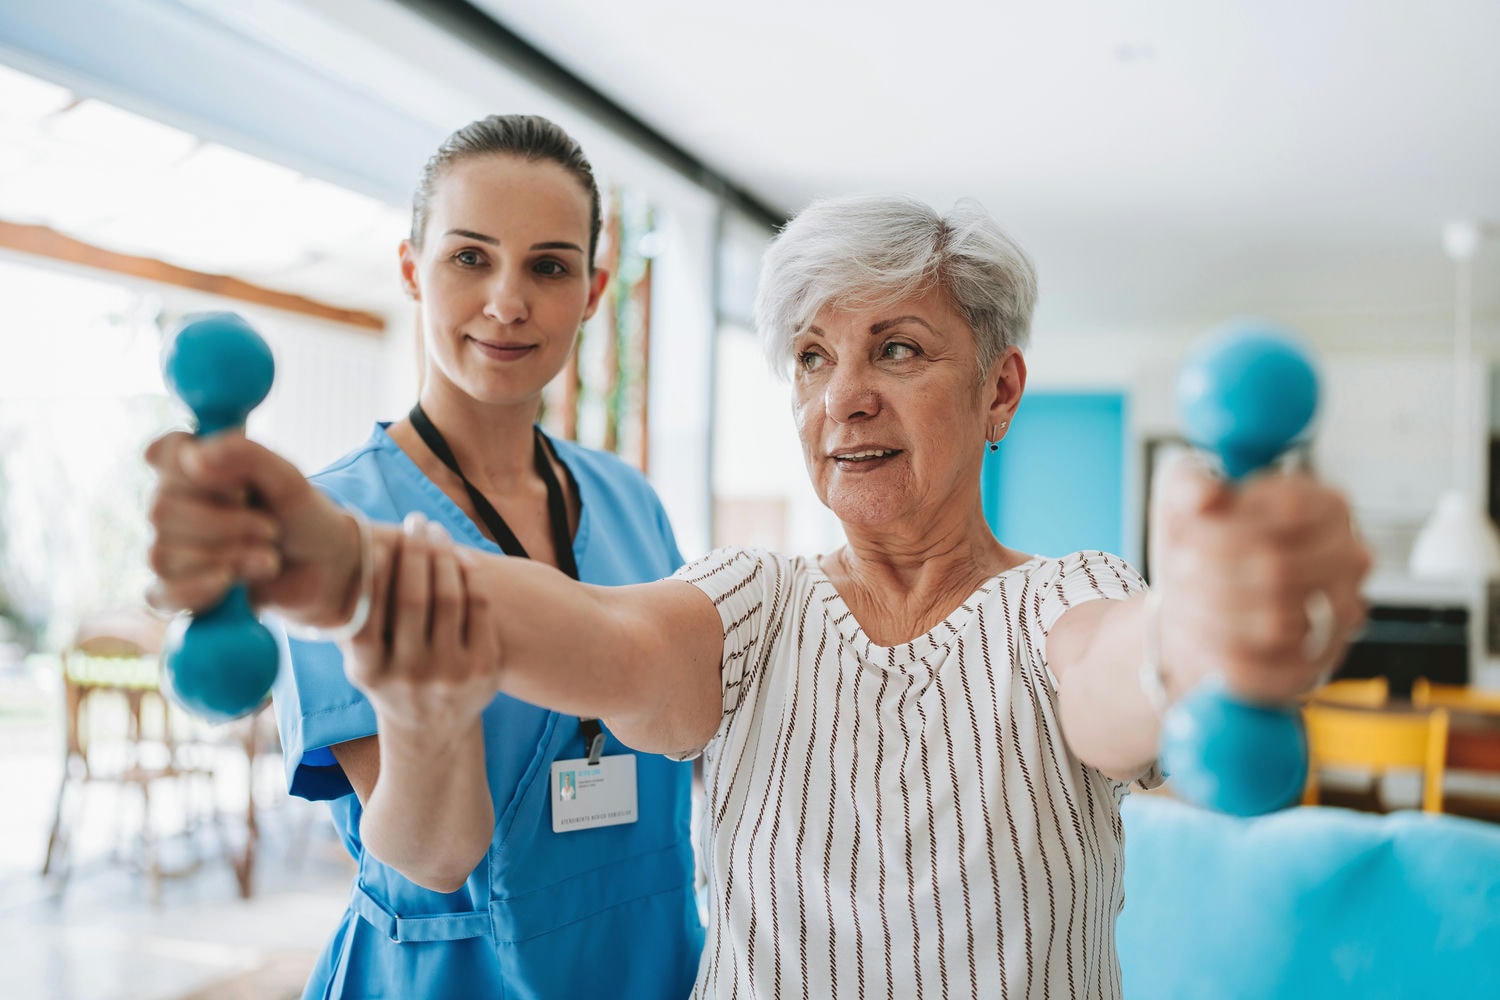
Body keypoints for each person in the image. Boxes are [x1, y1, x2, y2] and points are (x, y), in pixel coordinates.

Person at [146, 194, 1371, 998]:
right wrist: (337, 558)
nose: (844, 396)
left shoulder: (1072, 596)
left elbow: (1124, 669)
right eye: (811, 357)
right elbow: (598, 634)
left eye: (898, 348)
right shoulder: (753, 600)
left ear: (1000, 393)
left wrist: (1200, 636)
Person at [158, 114, 704, 998]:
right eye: (469, 257)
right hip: (446, 974)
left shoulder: (630, 501)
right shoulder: (335, 523)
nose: (508, 301)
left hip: (647, 962)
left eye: (549, 266)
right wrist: (426, 711)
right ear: (412, 269)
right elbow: (434, 855)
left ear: (594, 291)